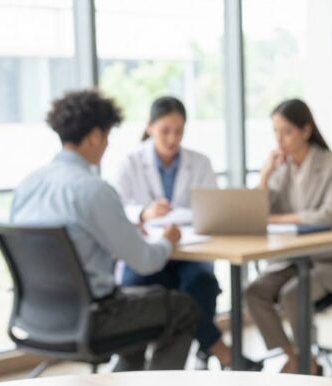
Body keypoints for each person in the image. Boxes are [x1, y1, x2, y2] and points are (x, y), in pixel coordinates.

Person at [11, 89, 199, 371]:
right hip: (92, 317)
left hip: (36, 316)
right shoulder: (93, 190)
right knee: (183, 308)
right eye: (108, 136)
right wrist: (169, 241)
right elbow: (146, 261)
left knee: (140, 310)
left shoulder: (27, 185)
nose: (107, 144)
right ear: (95, 136)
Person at [110, 96, 259, 371]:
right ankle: (221, 351)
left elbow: (213, 209)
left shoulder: (199, 162)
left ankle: (175, 362)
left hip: (190, 252)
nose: (172, 138)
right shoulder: (130, 162)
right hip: (149, 252)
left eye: (179, 131)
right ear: (150, 127)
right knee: (136, 281)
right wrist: (144, 213)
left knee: (201, 282)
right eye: (165, 130)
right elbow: (115, 207)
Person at [245, 98, 332, 374]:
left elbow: (329, 214)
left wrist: (282, 218)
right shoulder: (282, 169)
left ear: (306, 130)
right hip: (293, 259)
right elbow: (257, 213)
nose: (279, 139)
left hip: (329, 261)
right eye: (275, 132)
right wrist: (264, 175)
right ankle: (294, 357)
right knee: (255, 291)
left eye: (287, 131)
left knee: (293, 294)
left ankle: (306, 361)